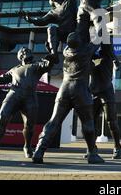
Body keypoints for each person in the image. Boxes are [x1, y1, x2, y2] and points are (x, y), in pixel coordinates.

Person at [32, 32, 104, 164]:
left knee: (54, 121)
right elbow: (99, 38)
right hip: (80, 89)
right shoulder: (86, 51)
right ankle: (92, 154)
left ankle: (39, 151)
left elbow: (55, 31)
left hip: (64, 89)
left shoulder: (66, 51)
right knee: (88, 123)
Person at [0, 47, 54, 161]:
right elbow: (2, 79)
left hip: (30, 97)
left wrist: (51, 57)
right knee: (2, 119)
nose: (27, 52)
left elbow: (48, 65)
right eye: (23, 51)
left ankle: (27, 146)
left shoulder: (36, 66)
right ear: (20, 57)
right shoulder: (14, 69)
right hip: (13, 95)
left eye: (28, 50)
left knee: (29, 126)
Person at [20, 0, 78, 64]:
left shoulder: (69, 2)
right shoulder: (52, 12)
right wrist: (30, 20)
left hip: (76, 31)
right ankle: (54, 54)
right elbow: (42, 21)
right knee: (51, 28)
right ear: (53, 1)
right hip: (64, 34)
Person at [88, 43, 121, 159]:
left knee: (111, 121)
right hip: (94, 92)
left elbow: (107, 44)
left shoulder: (108, 56)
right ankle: (91, 148)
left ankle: (117, 146)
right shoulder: (90, 57)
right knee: (91, 122)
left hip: (107, 91)